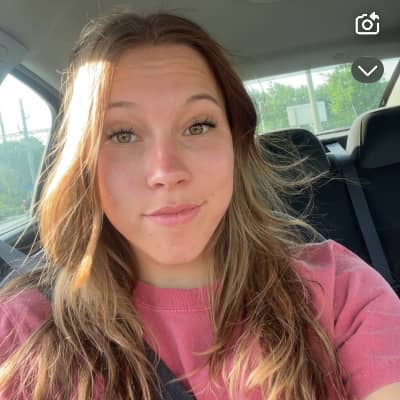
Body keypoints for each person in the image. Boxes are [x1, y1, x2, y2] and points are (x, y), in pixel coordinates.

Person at [0, 11, 399, 400]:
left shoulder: (337, 290)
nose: (166, 172)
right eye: (122, 134)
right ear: (82, 163)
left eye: (198, 126)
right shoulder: (24, 332)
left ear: (235, 145)